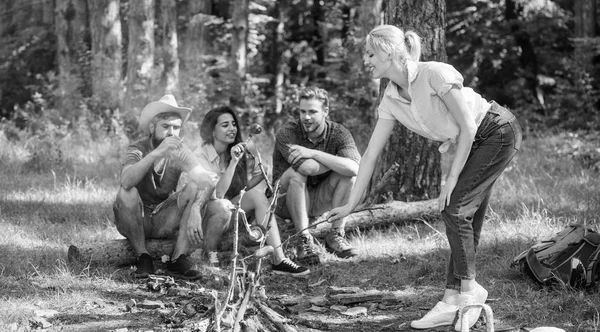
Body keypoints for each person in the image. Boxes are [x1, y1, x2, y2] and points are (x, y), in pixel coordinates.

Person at [327, 25, 522, 331]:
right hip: (474, 141)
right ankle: (450, 300)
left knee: (454, 209)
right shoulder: (391, 99)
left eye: (369, 53)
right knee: (464, 216)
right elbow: (369, 157)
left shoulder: (434, 73)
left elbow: (469, 126)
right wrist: (352, 204)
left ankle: (470, 294)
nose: (364, 60)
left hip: (496, 131)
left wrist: (452, 176)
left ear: (389, 52)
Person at [113, 94, 232, 280]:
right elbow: (126, 181)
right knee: (127, 193)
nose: (171, 133)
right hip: (136, 217)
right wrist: (157, 153)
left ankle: (177, 260)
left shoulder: (180, 151)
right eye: (166, 126)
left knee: (194, 188)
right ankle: (143, 256)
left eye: (176, 128)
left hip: (164, 217)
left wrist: (195, 208)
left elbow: (206, 181)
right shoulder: (137, 148)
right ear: (152, 127)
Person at [195, 106, 310, 277]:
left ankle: (279, 259)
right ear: (212, 131)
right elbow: (217, 195)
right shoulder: (201, 154)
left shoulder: (236, 150)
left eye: (233, 124)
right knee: (223, 203)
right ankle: (209, 254)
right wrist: (234, 163)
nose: (232, 128)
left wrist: (257, 162)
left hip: (229, 209)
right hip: (206, 214)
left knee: (257, 196)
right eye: (225, 125)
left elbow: (254, 180)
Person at [272, 86, 362, 265]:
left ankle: (336, 234)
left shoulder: (339, 134)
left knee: (348, 177)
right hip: (283, 200)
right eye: (302, 111)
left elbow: (354, 169)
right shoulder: (287, 132)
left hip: (318, 199)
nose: (306, 117)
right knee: (297, 174)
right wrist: (335, 162)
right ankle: (303, 239)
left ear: (325, 112)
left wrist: (313, 153)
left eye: (312, 112)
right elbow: (306, 168)